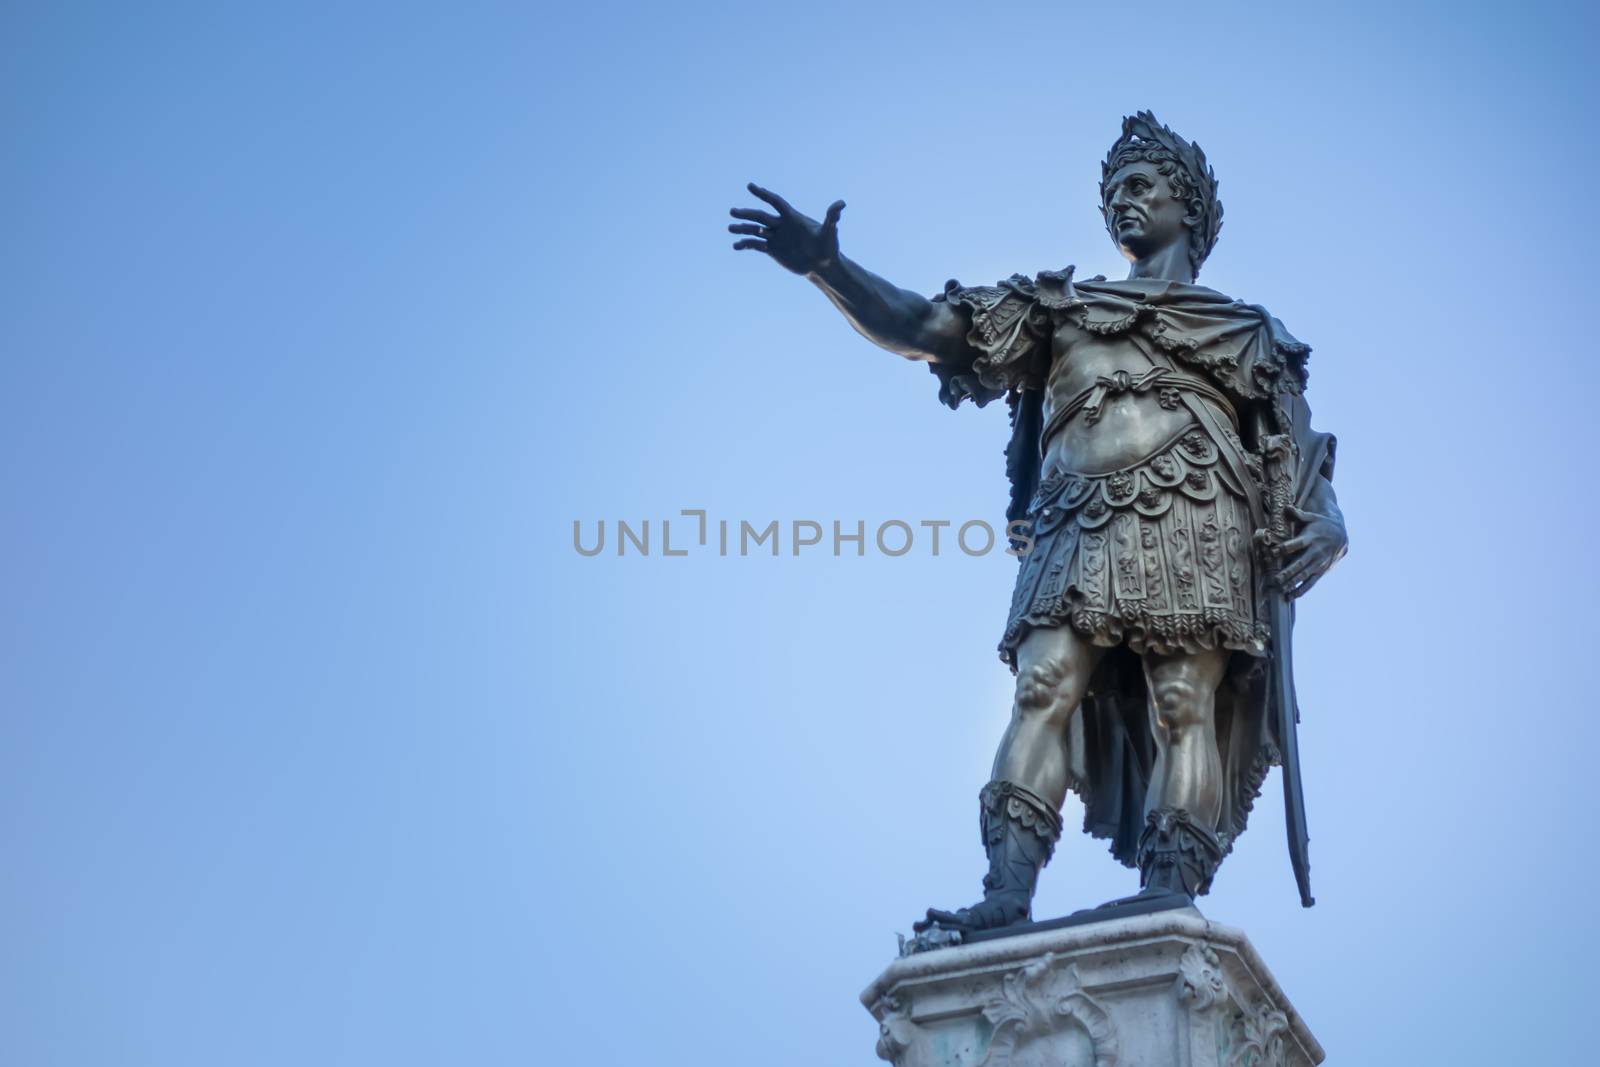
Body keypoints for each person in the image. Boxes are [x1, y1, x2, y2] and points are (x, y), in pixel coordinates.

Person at [730, 112, 1347, 934]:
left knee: (1180, 701)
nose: (1120, 203)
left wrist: (1324, 519)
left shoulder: (1245, 333)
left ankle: (1170, 887)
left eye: (1139, 186)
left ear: (1187, 205)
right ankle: (1006, 892)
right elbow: (924, 328)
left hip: (1199, 512)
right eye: (1111, 193)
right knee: (1042, 685)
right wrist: (829, 268)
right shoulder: (1058, 309)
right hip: (1075, 518)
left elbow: (1297, 454)